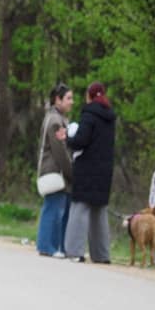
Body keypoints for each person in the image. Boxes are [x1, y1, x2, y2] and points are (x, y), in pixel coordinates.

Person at [58, 81, 116, 263]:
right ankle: (101, 254)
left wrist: (68, 138)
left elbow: (81, 140)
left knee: (80, 208)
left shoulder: (89, 115)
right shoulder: (110, 117)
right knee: (99, 211)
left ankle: (75, 251)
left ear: (89, 96)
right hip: (105, 169)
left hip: (87, 168)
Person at [35, 82, 74, 258]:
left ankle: (53, 246)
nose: (72, 102)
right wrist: (71, 172)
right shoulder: (55, 122)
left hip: (55, 170)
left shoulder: (54, 118)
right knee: (53, 208)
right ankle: (47, 246)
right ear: (57, 100)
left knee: (55, 207)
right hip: (54, 170)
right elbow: (60, 152)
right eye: (68, 98)